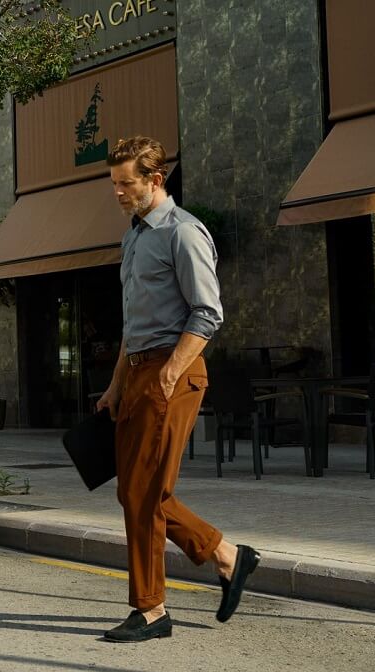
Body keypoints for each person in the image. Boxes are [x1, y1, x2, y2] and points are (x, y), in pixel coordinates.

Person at [95, 136, 260, 643]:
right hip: (139, 371)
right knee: (132, 490)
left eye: (127, 184)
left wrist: (168, 374)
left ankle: (151, 610)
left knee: (145, 492)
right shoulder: (134, 237)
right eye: (115, 184)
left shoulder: (183, 233)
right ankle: (228, 555)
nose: (119, 193)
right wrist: (116, 383)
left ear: (155, 180)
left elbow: (208, 313)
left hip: (175, 372)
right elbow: (133, 322)